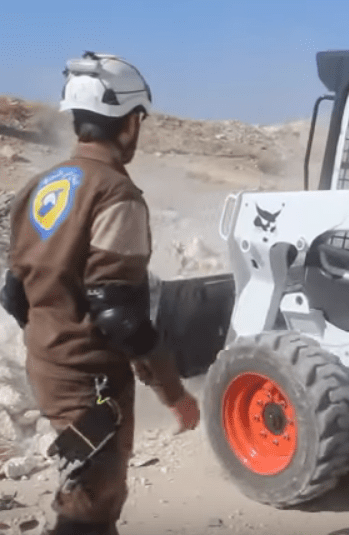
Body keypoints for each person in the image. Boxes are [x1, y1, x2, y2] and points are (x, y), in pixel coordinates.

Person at [0, 52, 200, 535]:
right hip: (91, 383)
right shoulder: (115, 193)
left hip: (47, 368)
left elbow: (13, 292)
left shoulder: (40, 185)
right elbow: (120, 315)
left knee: (85, 492)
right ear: (131, 122)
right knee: (90, 505)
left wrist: (54, 336)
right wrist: (174, 394)